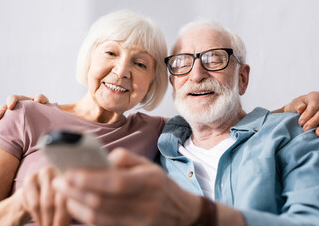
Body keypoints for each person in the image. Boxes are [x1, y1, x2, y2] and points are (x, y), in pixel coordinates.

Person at [45, 19, 319, 226]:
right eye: (181, 63)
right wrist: (39, 109)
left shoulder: (293, 132)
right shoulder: (156, 142)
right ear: (173, 82)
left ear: (242, 78)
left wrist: (201, 214)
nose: (196, 74)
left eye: (214, 59)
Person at [0, 9, 169, 225]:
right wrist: (23, 204)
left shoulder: (159, 132)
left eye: (140, 64)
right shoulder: (25, 115)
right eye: (111, 53)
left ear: (152, 82)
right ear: (89, 58)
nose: (122, 70)